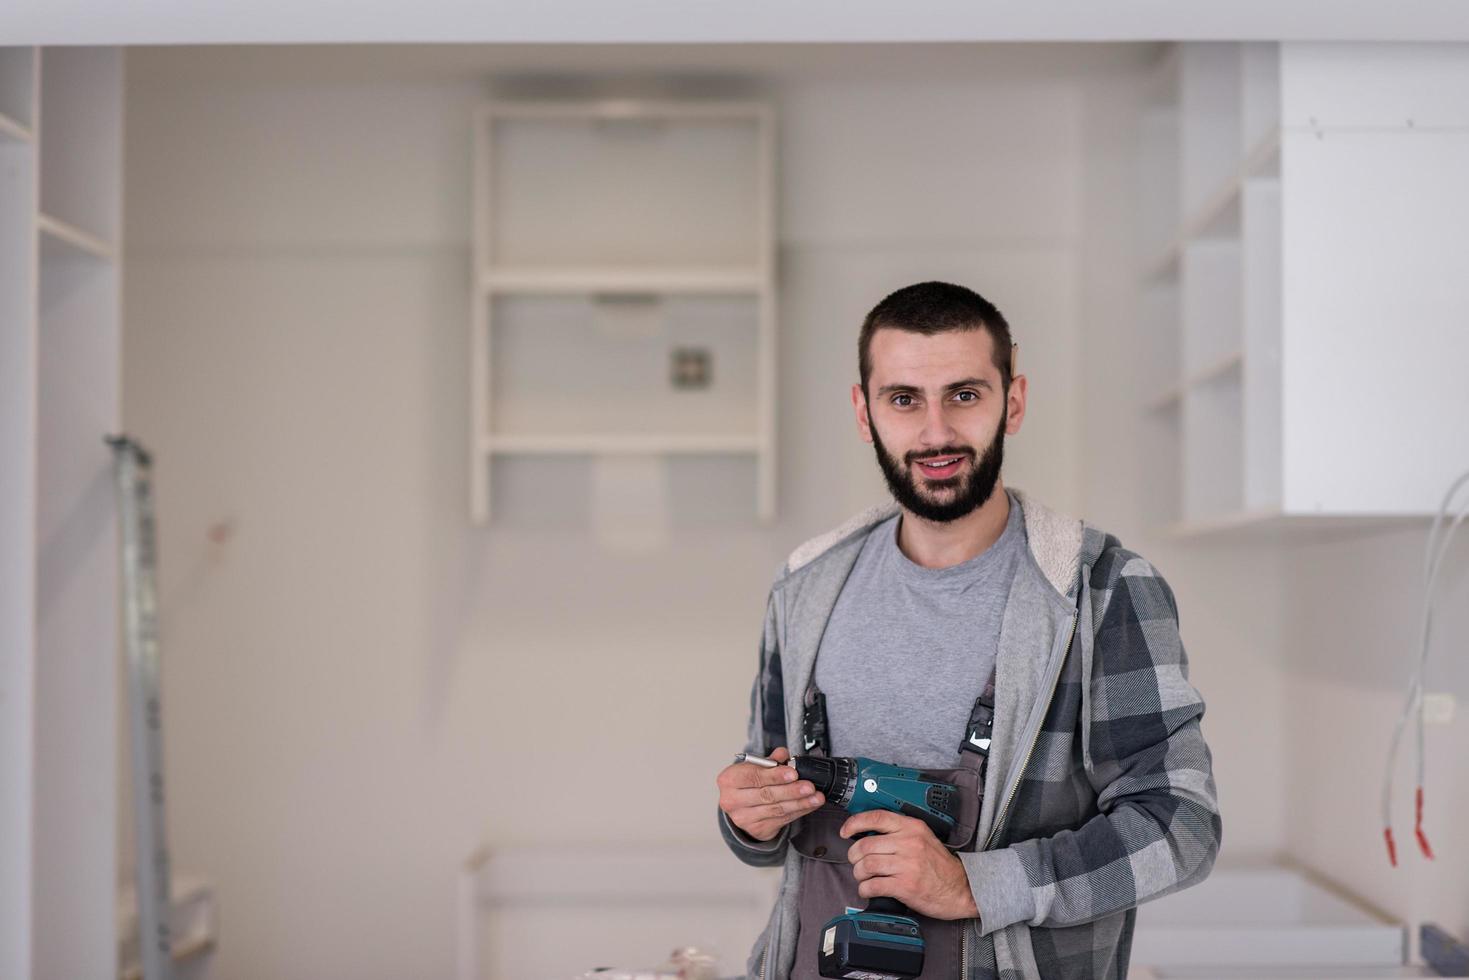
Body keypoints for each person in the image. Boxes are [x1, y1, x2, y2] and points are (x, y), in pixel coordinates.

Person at [715, 281, 1220, 980]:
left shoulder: (1100, 589)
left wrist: (979, 884)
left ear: (1011, 401)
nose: (935, 433)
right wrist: (749, 817)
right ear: (864, 411)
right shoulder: (804, 585)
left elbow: (1180, 825)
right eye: (903, 399)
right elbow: (763, 826)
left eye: (964, 394)